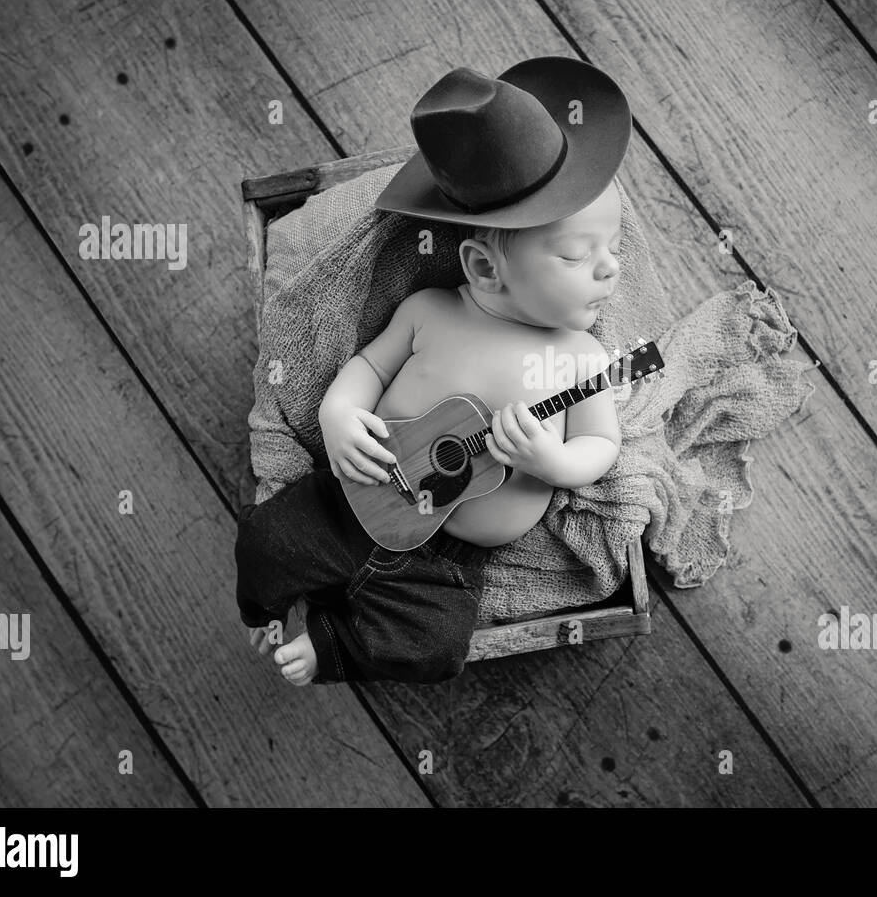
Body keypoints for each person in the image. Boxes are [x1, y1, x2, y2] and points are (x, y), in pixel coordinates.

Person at [236, 57, 631, 685]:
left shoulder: (581, 359)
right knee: (266, 540)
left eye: (614, 248)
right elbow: (366, 364)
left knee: (438, 646)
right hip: (359, 495)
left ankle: (333, 644)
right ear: (482, 268)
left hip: (445, 558)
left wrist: (553, 464)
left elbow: (602, 443)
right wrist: (339, 415)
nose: (611, 269)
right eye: (579, 255)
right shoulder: (430, 312)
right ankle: (263, 607)